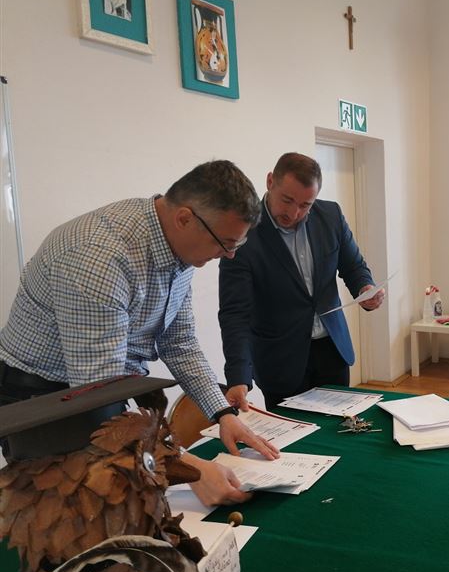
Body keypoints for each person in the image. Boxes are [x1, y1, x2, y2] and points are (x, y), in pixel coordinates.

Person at [0, 160, 280, 506]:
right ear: (184, 218)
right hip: (42, 399)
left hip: (101, 389)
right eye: (224, 243)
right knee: (70, 514)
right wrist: (190, 469)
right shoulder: (99, 259)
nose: (230, 255)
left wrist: (222, 413)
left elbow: (179, 342)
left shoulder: (178, 245)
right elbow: (99, 395)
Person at [219, 152, 384, 410]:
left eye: (305, 204)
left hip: (332, 350)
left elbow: (354, 266)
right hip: (280, 360)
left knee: (341, 427)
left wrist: (365, 288)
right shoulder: (242, 232)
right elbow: (235, 314)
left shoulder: (330, 215)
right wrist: (239, 376)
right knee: (292, 433)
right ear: (270, 181)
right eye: (287, 200)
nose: (294, 213)